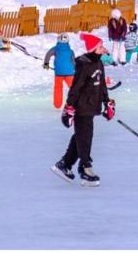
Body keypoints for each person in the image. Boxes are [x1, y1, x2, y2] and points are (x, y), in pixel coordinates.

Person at [51, 34, 114, 186]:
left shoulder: (98, 63)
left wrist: (107, 102)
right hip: (81, 107)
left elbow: (102, 86)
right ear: (92, 49)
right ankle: (85, 168)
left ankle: (65, 164)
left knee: (81, 136)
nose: (103, 49)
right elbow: (75, 88)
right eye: (100, 47)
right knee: (85, 138)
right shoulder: (84, 65)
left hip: (91, 107)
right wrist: (69, 107)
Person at [43, 33, 77, 108]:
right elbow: (73, 62)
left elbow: (48, 54)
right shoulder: (71, 51)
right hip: (70, 73)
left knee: (58, 88)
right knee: (73, 87)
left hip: (59, 72)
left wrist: (46, 64)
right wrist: (76, 69)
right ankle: (78, 101)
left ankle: (57, 104)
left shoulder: (55, 49)